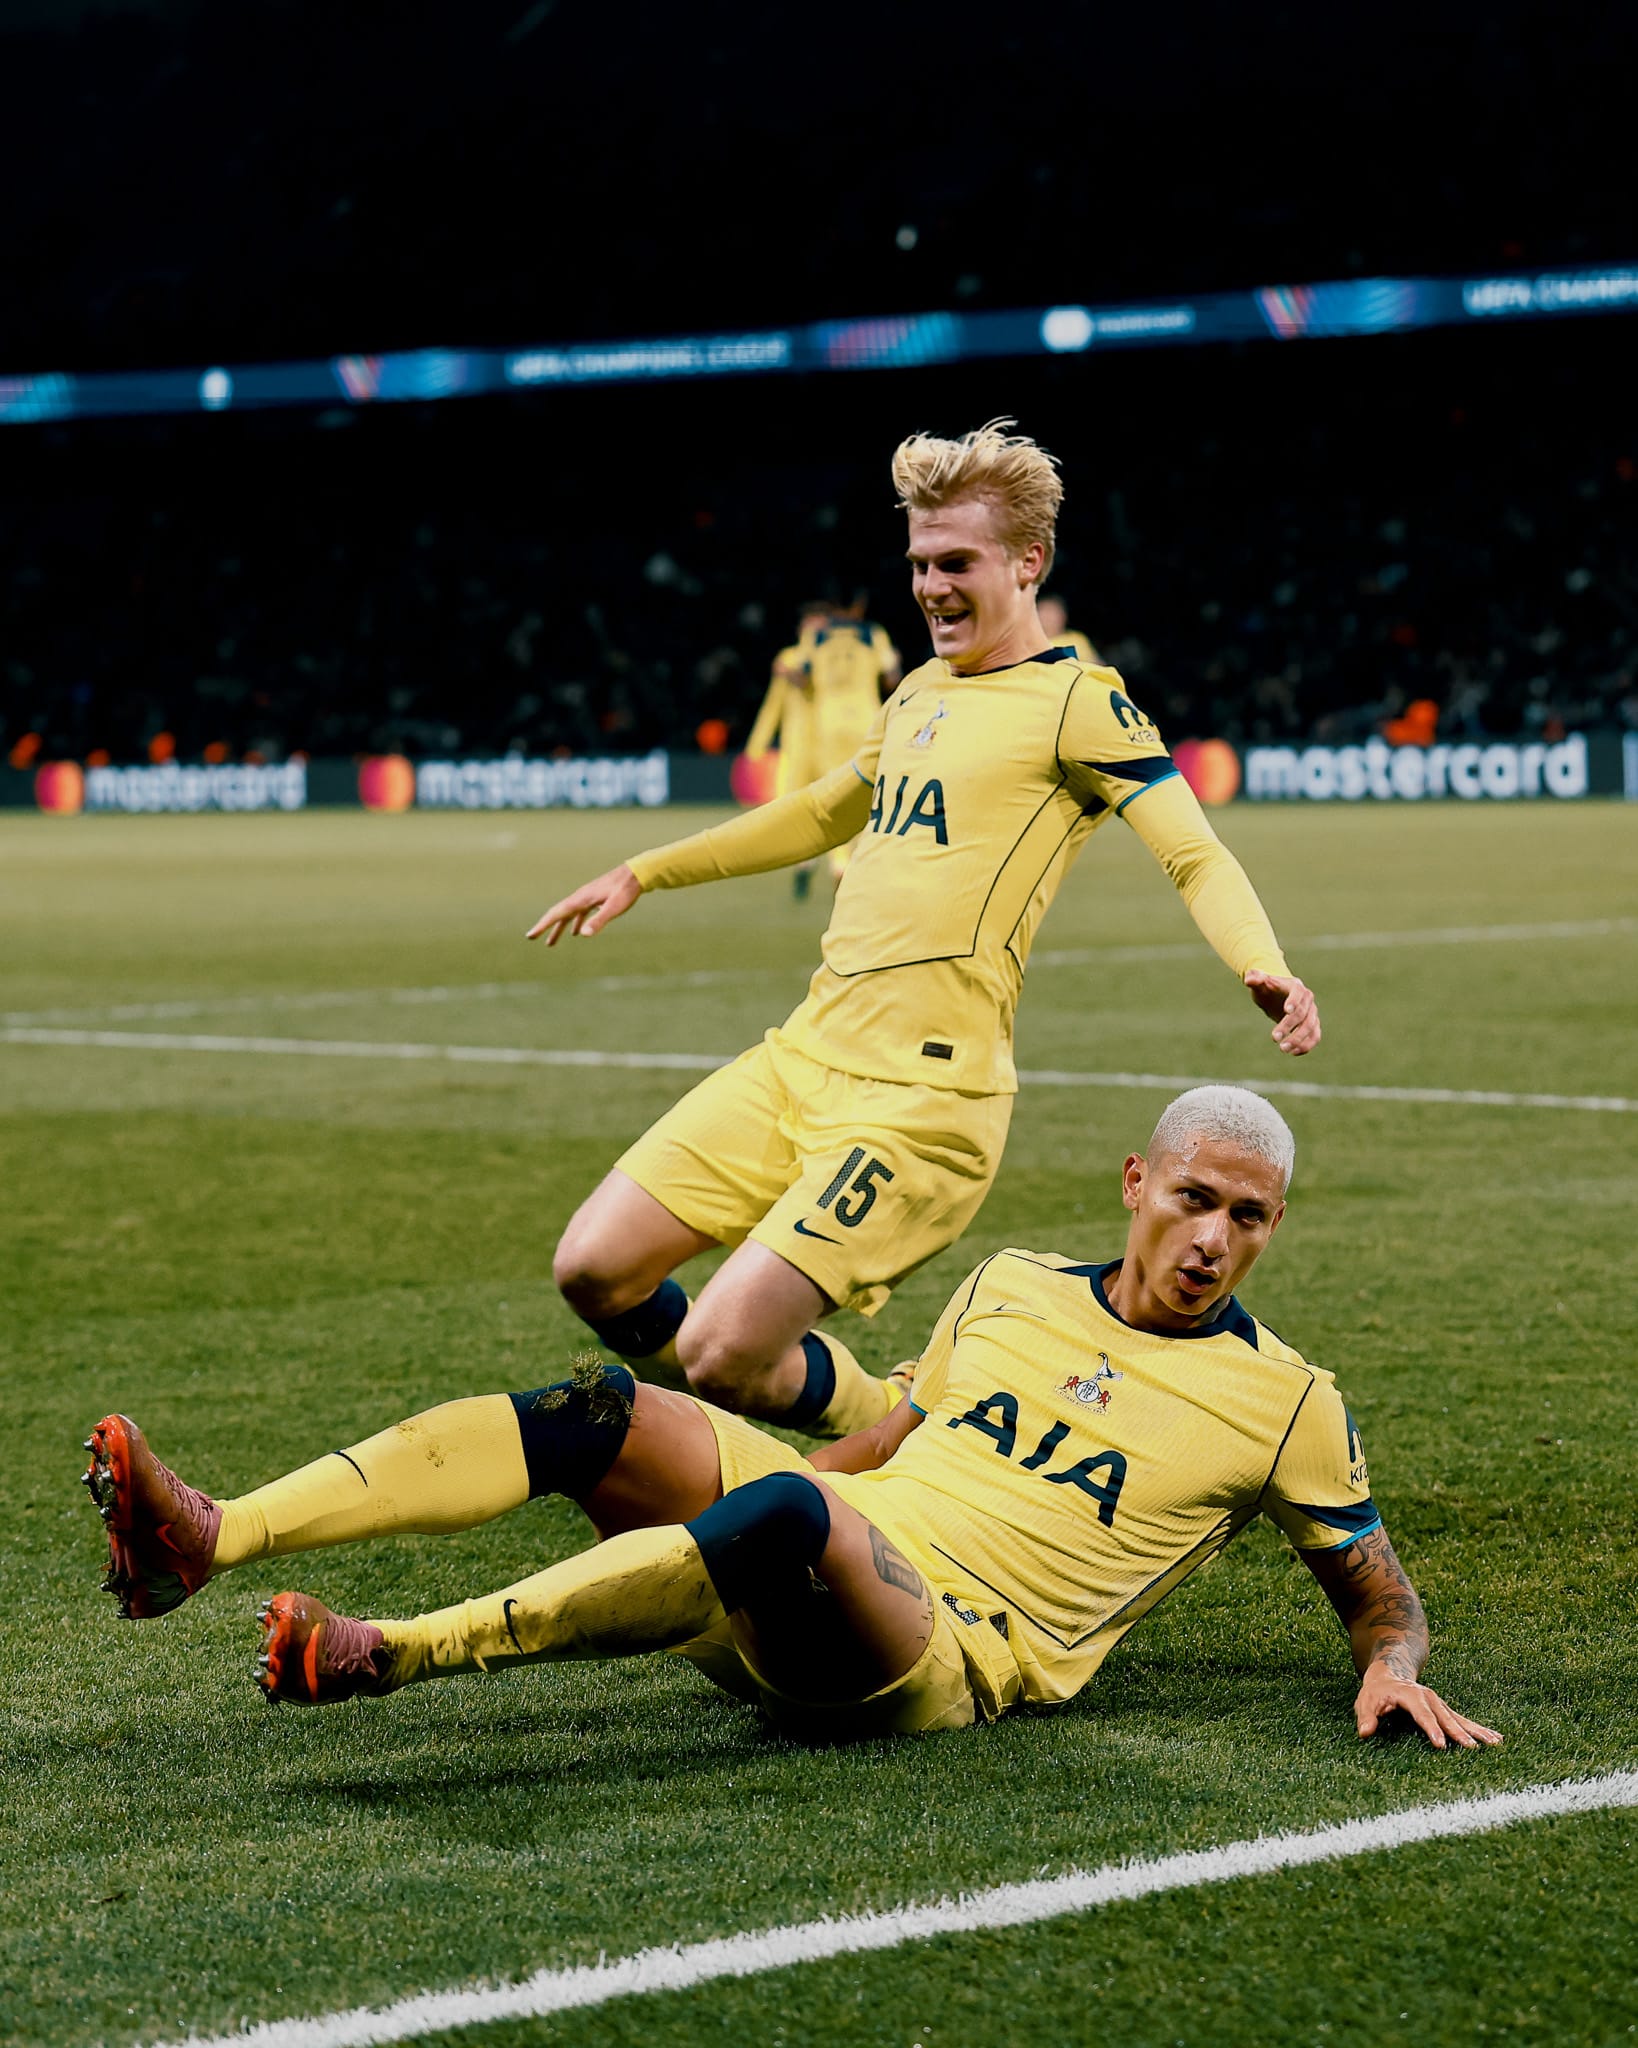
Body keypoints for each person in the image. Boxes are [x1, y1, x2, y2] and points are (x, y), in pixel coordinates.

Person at [82, 1087, 1498, 1754]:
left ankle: (388, 1654)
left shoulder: (1289, 1401)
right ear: (1137, 1180)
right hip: (839, 1524)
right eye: (1194, 1197)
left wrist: (1390, 1664)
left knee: (790, 1516)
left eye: (1247, 1218)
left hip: (940, 1642)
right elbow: (891, 1439)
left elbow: (1378, 1593)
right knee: (607, 1410)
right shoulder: (1011, 1284)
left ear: (1272, 1230)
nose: (1213, 1237)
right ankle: (211, 1536)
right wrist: (738, 1475)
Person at [531, 420, 1322, 1446]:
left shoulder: (1080, 703)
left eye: (957, 562)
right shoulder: (916, 691)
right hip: (805, 1057)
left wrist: (1261, 961)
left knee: (723, 1350)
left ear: (1028, 562)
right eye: (918, 563)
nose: (931, 586)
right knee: (593, 1268)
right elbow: (822, 811)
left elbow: (1193, 853)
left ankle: (897, 1419)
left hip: (923, 1102)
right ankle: (691, 1429)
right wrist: (646, 869)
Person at [741, 603, 900, 897]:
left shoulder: (811, 646)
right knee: (863, 795)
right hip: (858, 722)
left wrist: (757, 743)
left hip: (826, 731)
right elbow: (892, 674)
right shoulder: (871, 634)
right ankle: (822, 863)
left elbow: (795, 680)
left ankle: (839, 864)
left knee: (832, 801)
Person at [1037, 592, 1100, 665]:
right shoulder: (1029, 642)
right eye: (1043, 611)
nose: (1047, 618)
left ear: (1063, 616)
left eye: (1052, 612)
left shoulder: (1077, 639)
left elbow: (1096, 665)